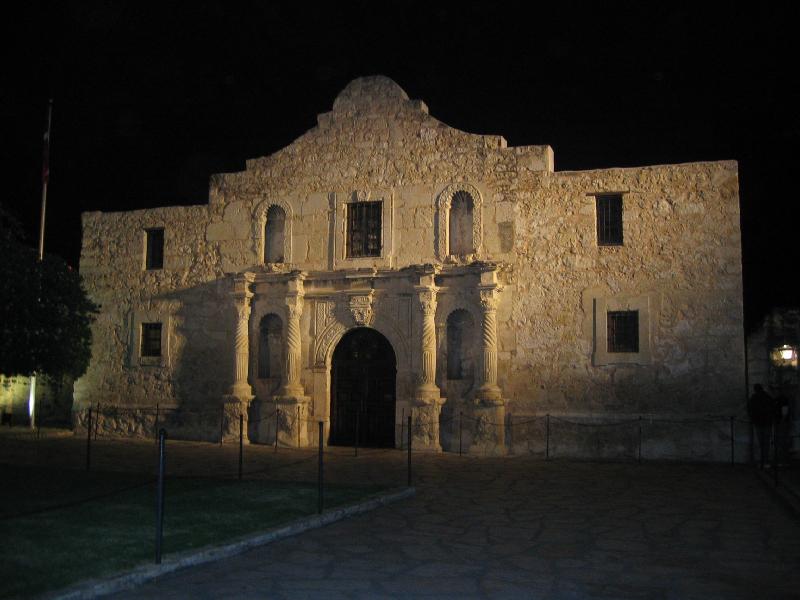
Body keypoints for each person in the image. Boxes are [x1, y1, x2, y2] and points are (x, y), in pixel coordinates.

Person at [748, 384, 775, 468]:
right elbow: (772, 409)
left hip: (758, 423)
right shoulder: (768, 398)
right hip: (767, 423)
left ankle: (763, 460)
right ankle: (766, 460)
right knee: (766, 442)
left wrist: (753, 419)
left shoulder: (753, 398)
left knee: (761, 443)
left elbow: (750, 410)